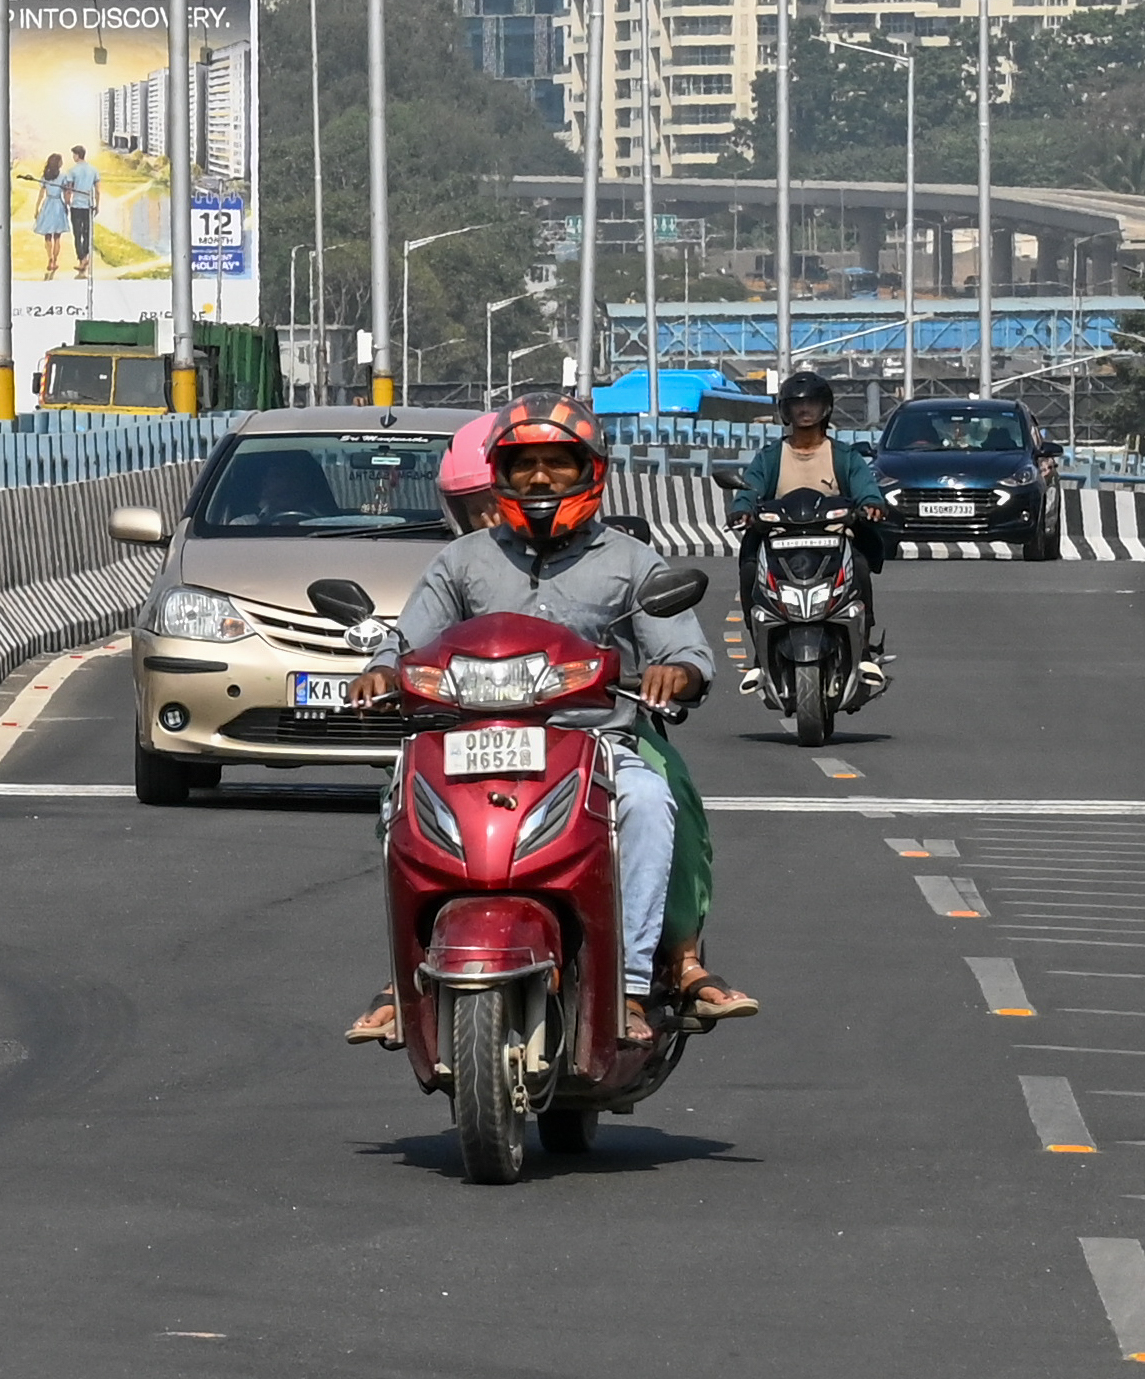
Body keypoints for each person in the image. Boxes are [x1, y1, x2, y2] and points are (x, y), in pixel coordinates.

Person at [342, 390, 755, 1047]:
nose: (539, 478)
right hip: (474, 741)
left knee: (648, 800)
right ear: (500, 476)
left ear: (589, 470)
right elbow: (409, 639)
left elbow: (683, 648)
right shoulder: (463, 561)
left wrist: (675, 670)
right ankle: (406, 972)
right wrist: (384, 670)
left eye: (556, 464)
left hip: (594, 740)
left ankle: (635, 983)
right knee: (400, 804)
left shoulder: (628, 560)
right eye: (522, 465)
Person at [727, 366, 891, 695]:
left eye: (812, 404)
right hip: (779, 544)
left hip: (834, 543)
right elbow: (750, 488)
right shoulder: (770, 457)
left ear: (826, 408)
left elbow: (865, 487)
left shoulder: (844, 456)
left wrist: (871, 504)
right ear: (785, 411)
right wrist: (742, 509)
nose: (804, 410)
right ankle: (760, 658)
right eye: (796, 404)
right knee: (748, 574)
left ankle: (863, 653)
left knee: (859, 567)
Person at [63, 146, 103, 276]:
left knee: (77, 234)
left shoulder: (72, 171)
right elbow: (97, 190)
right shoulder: (93, 170)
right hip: (88, 205)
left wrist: (67, 202)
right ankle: (85, 257)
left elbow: (69, 189)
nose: (73, 157)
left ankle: (82, 259)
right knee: (87, 233)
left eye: (74, 154)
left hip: (77, 206)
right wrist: (97, 204)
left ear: (78, 155)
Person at [30, 152, 71, 278]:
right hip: (58, 204)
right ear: (58, 163)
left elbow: (41, 194)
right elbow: (65, 194)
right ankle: (55, 260)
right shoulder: (63, 176)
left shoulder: (45, 176)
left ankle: (50, 258)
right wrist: (67, 205)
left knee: (47, 236)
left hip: (48, 205)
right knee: (57, 237)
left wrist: (37, 208)